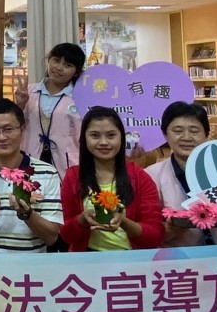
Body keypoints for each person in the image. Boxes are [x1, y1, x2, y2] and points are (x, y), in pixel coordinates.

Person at [59, 107, 164, 252]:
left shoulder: (141, 177)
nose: (103, 142)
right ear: (84, 138)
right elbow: (66, 235)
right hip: (88, 258)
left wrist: (124, 222)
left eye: (111, 135)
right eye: (95, 135)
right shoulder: (72, 177)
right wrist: (81, 221)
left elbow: (155, 235)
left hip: (132, 260)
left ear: (121, 137)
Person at [0, 98, 62, 255]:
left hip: (31, 268)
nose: (2, 137)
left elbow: (51, 238)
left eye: (8, 129)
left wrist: (27, 214)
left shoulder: (47, 173)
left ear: (22, 129)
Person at [147, 102, 217, 248]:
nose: (186, 137)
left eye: (194, 131)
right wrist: (170, 229)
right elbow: (148, 232)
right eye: (178, 131)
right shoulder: (151, 175)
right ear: (165, 134)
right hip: (179, 261)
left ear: (206, 134)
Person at [15, 42, 85, 176]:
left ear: (76, 72)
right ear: (48, 61)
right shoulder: (28, 91)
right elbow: (15, 126)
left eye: (68, 65)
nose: (59, 68)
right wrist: (20, 105)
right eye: (56, 60)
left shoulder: (80, 97)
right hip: (31, 159)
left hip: (67, 163)